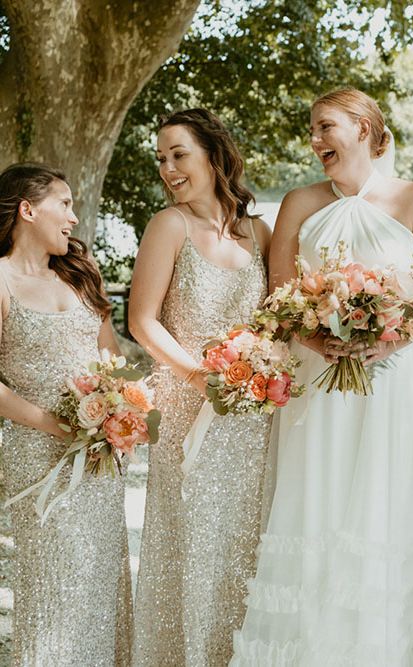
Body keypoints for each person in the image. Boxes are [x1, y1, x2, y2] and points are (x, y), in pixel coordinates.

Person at [229, 88, 413, 665]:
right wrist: (318, 337)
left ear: (364, 128)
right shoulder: (299, 201)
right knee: (320, 494)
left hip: (399, 378)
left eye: (325, 127)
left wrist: (385, 337)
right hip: (319, 373)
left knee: (393, 497)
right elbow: (280, 292)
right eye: (311, 130)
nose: (315, 141)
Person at [129, 109, 271, 666]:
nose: (168, 168)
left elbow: (277, 319)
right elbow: (143, 321)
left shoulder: (259, 232)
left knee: (246, 543)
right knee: (191, 544)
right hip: (189, 407)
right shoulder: (169, 226)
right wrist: (198, 376)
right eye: (161, 159)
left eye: (178, 154)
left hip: (252, 416)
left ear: (214, 155)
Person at [0, 163, 132, 665]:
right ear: (28, 210)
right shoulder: (0, 280)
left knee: (99, 582)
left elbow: (111, 359)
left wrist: (123, 410)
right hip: (39, 459)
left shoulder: (79, 277)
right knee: (53, 590)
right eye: (65, 204)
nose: (74, 218)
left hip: (101, 457)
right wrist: (51, 423)